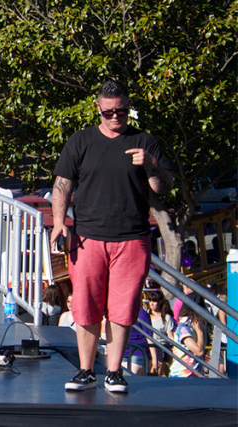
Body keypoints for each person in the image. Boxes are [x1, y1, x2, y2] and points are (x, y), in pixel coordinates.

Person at [51, 80, 173, 393]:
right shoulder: (81, 140)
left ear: (128, 107)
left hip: (132, 237)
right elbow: (62, 184)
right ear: (98, 109)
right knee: (86, 305)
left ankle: (115, 372)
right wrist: (59, 222)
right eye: (109, 112)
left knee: (123, 307)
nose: (115, 116)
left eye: (121, 111)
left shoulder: (144, 141)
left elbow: (163, 188)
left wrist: (152, 165)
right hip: (88, 237)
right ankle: (86, 370)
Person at [169, 297, 208, 378]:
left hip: (194, 374)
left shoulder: (195, 327)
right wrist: (199, 331)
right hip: (182, 376)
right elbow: (199, 351)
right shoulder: (184, 328)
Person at [146, 290, 176, 376]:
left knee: (157, 370)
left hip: (161, 348)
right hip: (147, 347)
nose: (151, 303)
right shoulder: (146, 315)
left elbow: (170, 337)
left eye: (154, 301)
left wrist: (174, 352)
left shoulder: (166, 318)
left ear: (160, 302)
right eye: (150, 301)